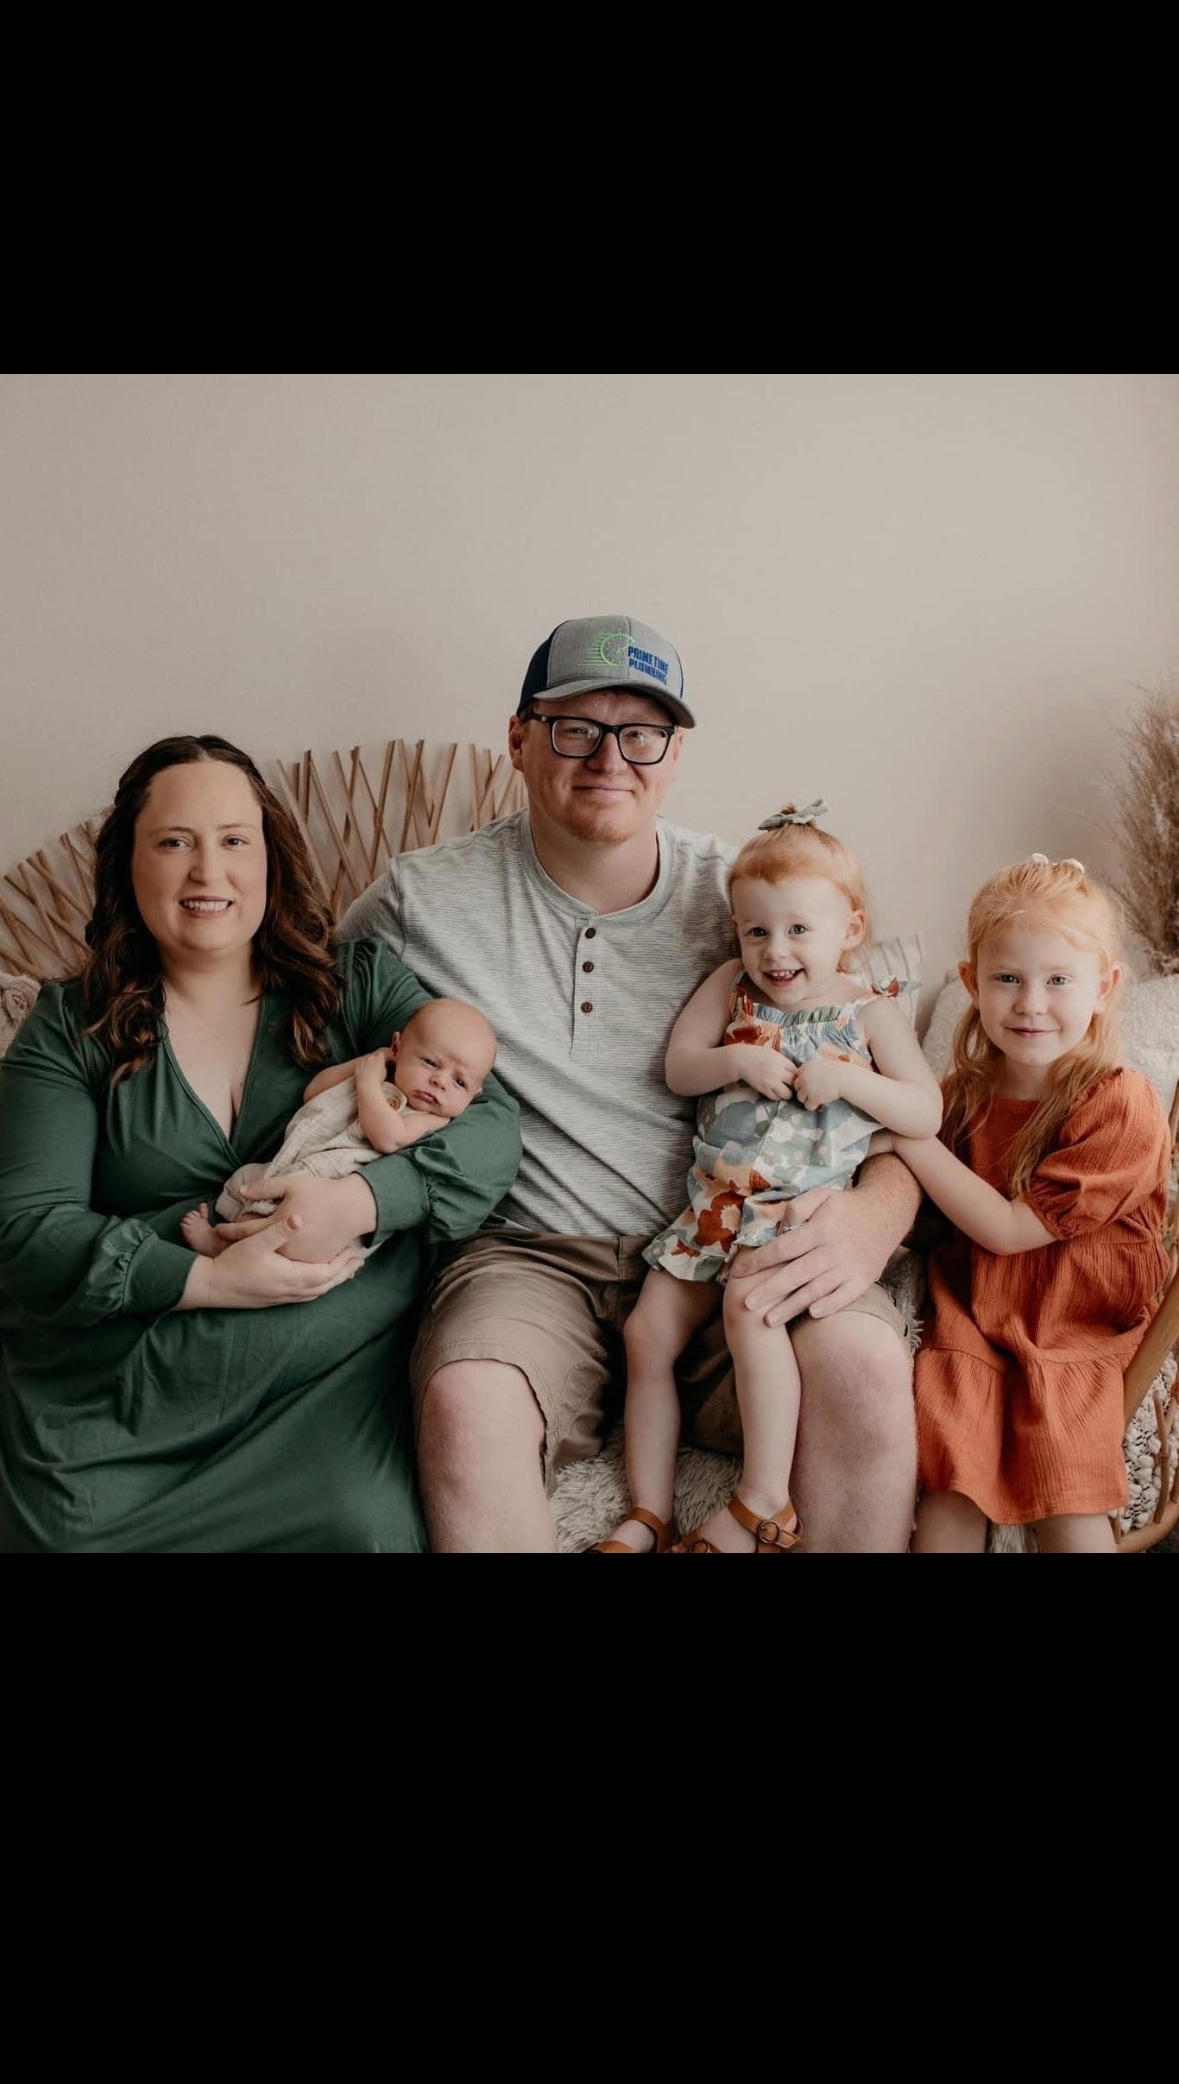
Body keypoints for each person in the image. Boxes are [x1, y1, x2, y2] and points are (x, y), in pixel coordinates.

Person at [338, 613, 923, 1552]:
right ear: (520, 740)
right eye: (576, 727)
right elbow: (305, 1016)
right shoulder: (422, 899)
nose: (609, 757)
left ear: (675, 753)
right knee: (465, 1399)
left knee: (862, 1361)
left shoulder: (751, 905)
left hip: (745, 1239)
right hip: (529, 1256)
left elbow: (874, 1063)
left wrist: (875, 1214)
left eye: (640, 732)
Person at [0, 736, 520, 1553]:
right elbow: (26, 1234)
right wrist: (207, 1277)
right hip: (122, 1402)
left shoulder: (359, 986)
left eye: (234, 841)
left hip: (316, 1393)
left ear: (270, 858)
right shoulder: (69, 1028)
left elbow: (491, 1129)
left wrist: (356, 1201)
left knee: (367, 1531)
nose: (209, 873)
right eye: (175, 842)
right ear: (127, 863)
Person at [598, 800, 942, 1552]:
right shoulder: (730, 987)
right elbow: (679, 1067)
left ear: (849, 930)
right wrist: (736, 1059)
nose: (774, 950)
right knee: (645, 1333)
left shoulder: (868, 1012)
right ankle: (647, 1513)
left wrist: (847, 1082)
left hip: (792, 1223)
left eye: (797, 930)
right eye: (756, 930)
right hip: (711, 1213)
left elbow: (924, 1111)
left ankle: (762, 1502)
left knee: (752, 1322)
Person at [890, 855, 1170, 1554]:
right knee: (949, 1484)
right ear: (971, 985)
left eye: (1057, 981)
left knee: (1068, 1489)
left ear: (1103, 988)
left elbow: (1011, 1230)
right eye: (1007, 979)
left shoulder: (1117, 1101)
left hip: (1079, 1322)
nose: (1030, 1003)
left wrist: (907, 1135)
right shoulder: (959, 1095)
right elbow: (933, 1217)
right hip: (973, 1309)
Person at [180, 996, 498, 1259]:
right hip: (294, 1160)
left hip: (330, 1184)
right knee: (245, 1181)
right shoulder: (374, 1073)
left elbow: (387, 1137)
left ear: (474, 1094)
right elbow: (314, 1092)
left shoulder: (431, 1116)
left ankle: (225, 1249)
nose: (440, 1082)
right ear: (398, 1048)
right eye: (430, 1062)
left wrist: (367, 1082)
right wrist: (360, 1068)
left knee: (273, 1216)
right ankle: (237, 1239)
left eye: (459, 1082)